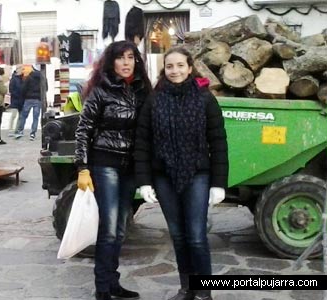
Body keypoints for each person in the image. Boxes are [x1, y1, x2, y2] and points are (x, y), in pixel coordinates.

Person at [134, 47, 229, 300]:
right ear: (164, 69)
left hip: (197, 174)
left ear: (190, 68)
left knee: (196, 236)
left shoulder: (204, 98)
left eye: (180, 65)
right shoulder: (154, 100)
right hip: (163, 176)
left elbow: (218, 141)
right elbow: (142, 142)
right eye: (169, 66)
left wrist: (218, 183)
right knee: (177, 235)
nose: (174, 71)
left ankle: (204, 293)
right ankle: (187, 288)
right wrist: (144, 181)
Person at [74, 40, 152, 300]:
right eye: (121, 58)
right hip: (105, 162)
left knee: (120, 229)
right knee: (108, 228)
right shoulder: (101, 91)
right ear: (112, 62)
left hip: (130, 166)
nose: (126, 62)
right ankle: (102, 289)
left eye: (131, 57)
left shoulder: (143, 91)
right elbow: (84, 129)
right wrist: (83, 167)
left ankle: (113, 282)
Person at [14, 65, 46, 141]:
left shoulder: (29, 77)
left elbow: (23, 88)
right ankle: (32, 133)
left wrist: (24, 95)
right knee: (35, 117)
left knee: (24, 116)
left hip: (28, 98)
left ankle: (20, 131)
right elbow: (45, 88)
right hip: (38, 99)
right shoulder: (43, 78)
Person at [7, 65, 24, 137]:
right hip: (15, 99)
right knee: (13, 115)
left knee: (20, 116)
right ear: (17, 70)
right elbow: (11, 89)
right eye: (21, 69)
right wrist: (17, 95)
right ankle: (10, 130)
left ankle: (17, 130)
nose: (22, 70)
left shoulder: (23, 78)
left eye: (22, 69)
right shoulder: (13, 79)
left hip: (22, 100)